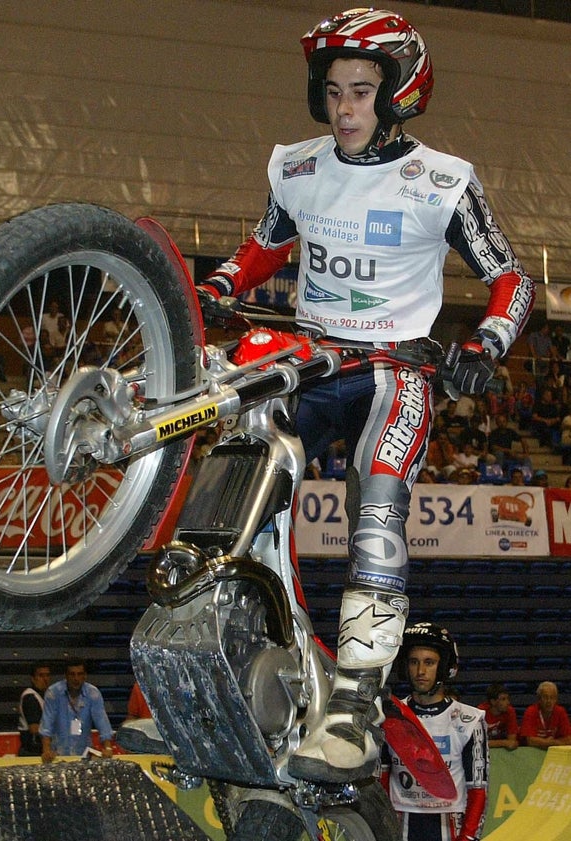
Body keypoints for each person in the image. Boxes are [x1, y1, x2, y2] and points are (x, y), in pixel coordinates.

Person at [196, 7, 534, 782]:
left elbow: (511, 279)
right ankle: (238, 666)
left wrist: (484, 344)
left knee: (377, 505)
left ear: (398, 93)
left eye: (360, 91)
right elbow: (267, 241)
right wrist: (220, 282)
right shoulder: (298, 166)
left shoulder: (443, 181)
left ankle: (354, 705)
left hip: (396, 371)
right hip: (309, 362)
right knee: (242, 483)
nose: (344, 108)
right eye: (333, 91)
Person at [382, 622, 488, 841]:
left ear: (443, 667)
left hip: (449, 826)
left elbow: (478, 790)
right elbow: (380, 781)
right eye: (414, 662)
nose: (420, 671)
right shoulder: (389, 715)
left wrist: (467, 837)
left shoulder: (470, 720)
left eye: (429, 663)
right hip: (398, 826)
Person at [39, 659, 114, 761]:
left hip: (84, 755)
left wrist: (107, 748)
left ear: (85, 676)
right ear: (66, 676)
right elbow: (46, 725)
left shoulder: (93, 693)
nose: (76, 678)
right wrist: (46, 751)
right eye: (72, 674)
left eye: (80, 674)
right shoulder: (53, 693)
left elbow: (102, 722)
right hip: (58, 755)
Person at [519, 681, 571, 748]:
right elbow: (530, 741)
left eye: (552, 697)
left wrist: (546, 743)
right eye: (545, 697)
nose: (549, 701)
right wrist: (553, 742)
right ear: (539, 699)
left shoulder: (560, 711)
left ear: (556, 699)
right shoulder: (531, 711)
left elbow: (569, 739)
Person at [17, 662, 52, 756]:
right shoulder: (30, 697)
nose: (45, 679)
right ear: (33, 678)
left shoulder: (44, 697)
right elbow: (34, 729)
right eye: (41, 676)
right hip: (31, 752)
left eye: (47, 675)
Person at [479, 683, 518, 750]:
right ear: (493, 702)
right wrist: (503, 743)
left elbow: (512, 741)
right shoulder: (480, 713)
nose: (508, 702)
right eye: (503, 699)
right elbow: (479, 742)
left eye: (508, 699)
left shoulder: (510, 711)